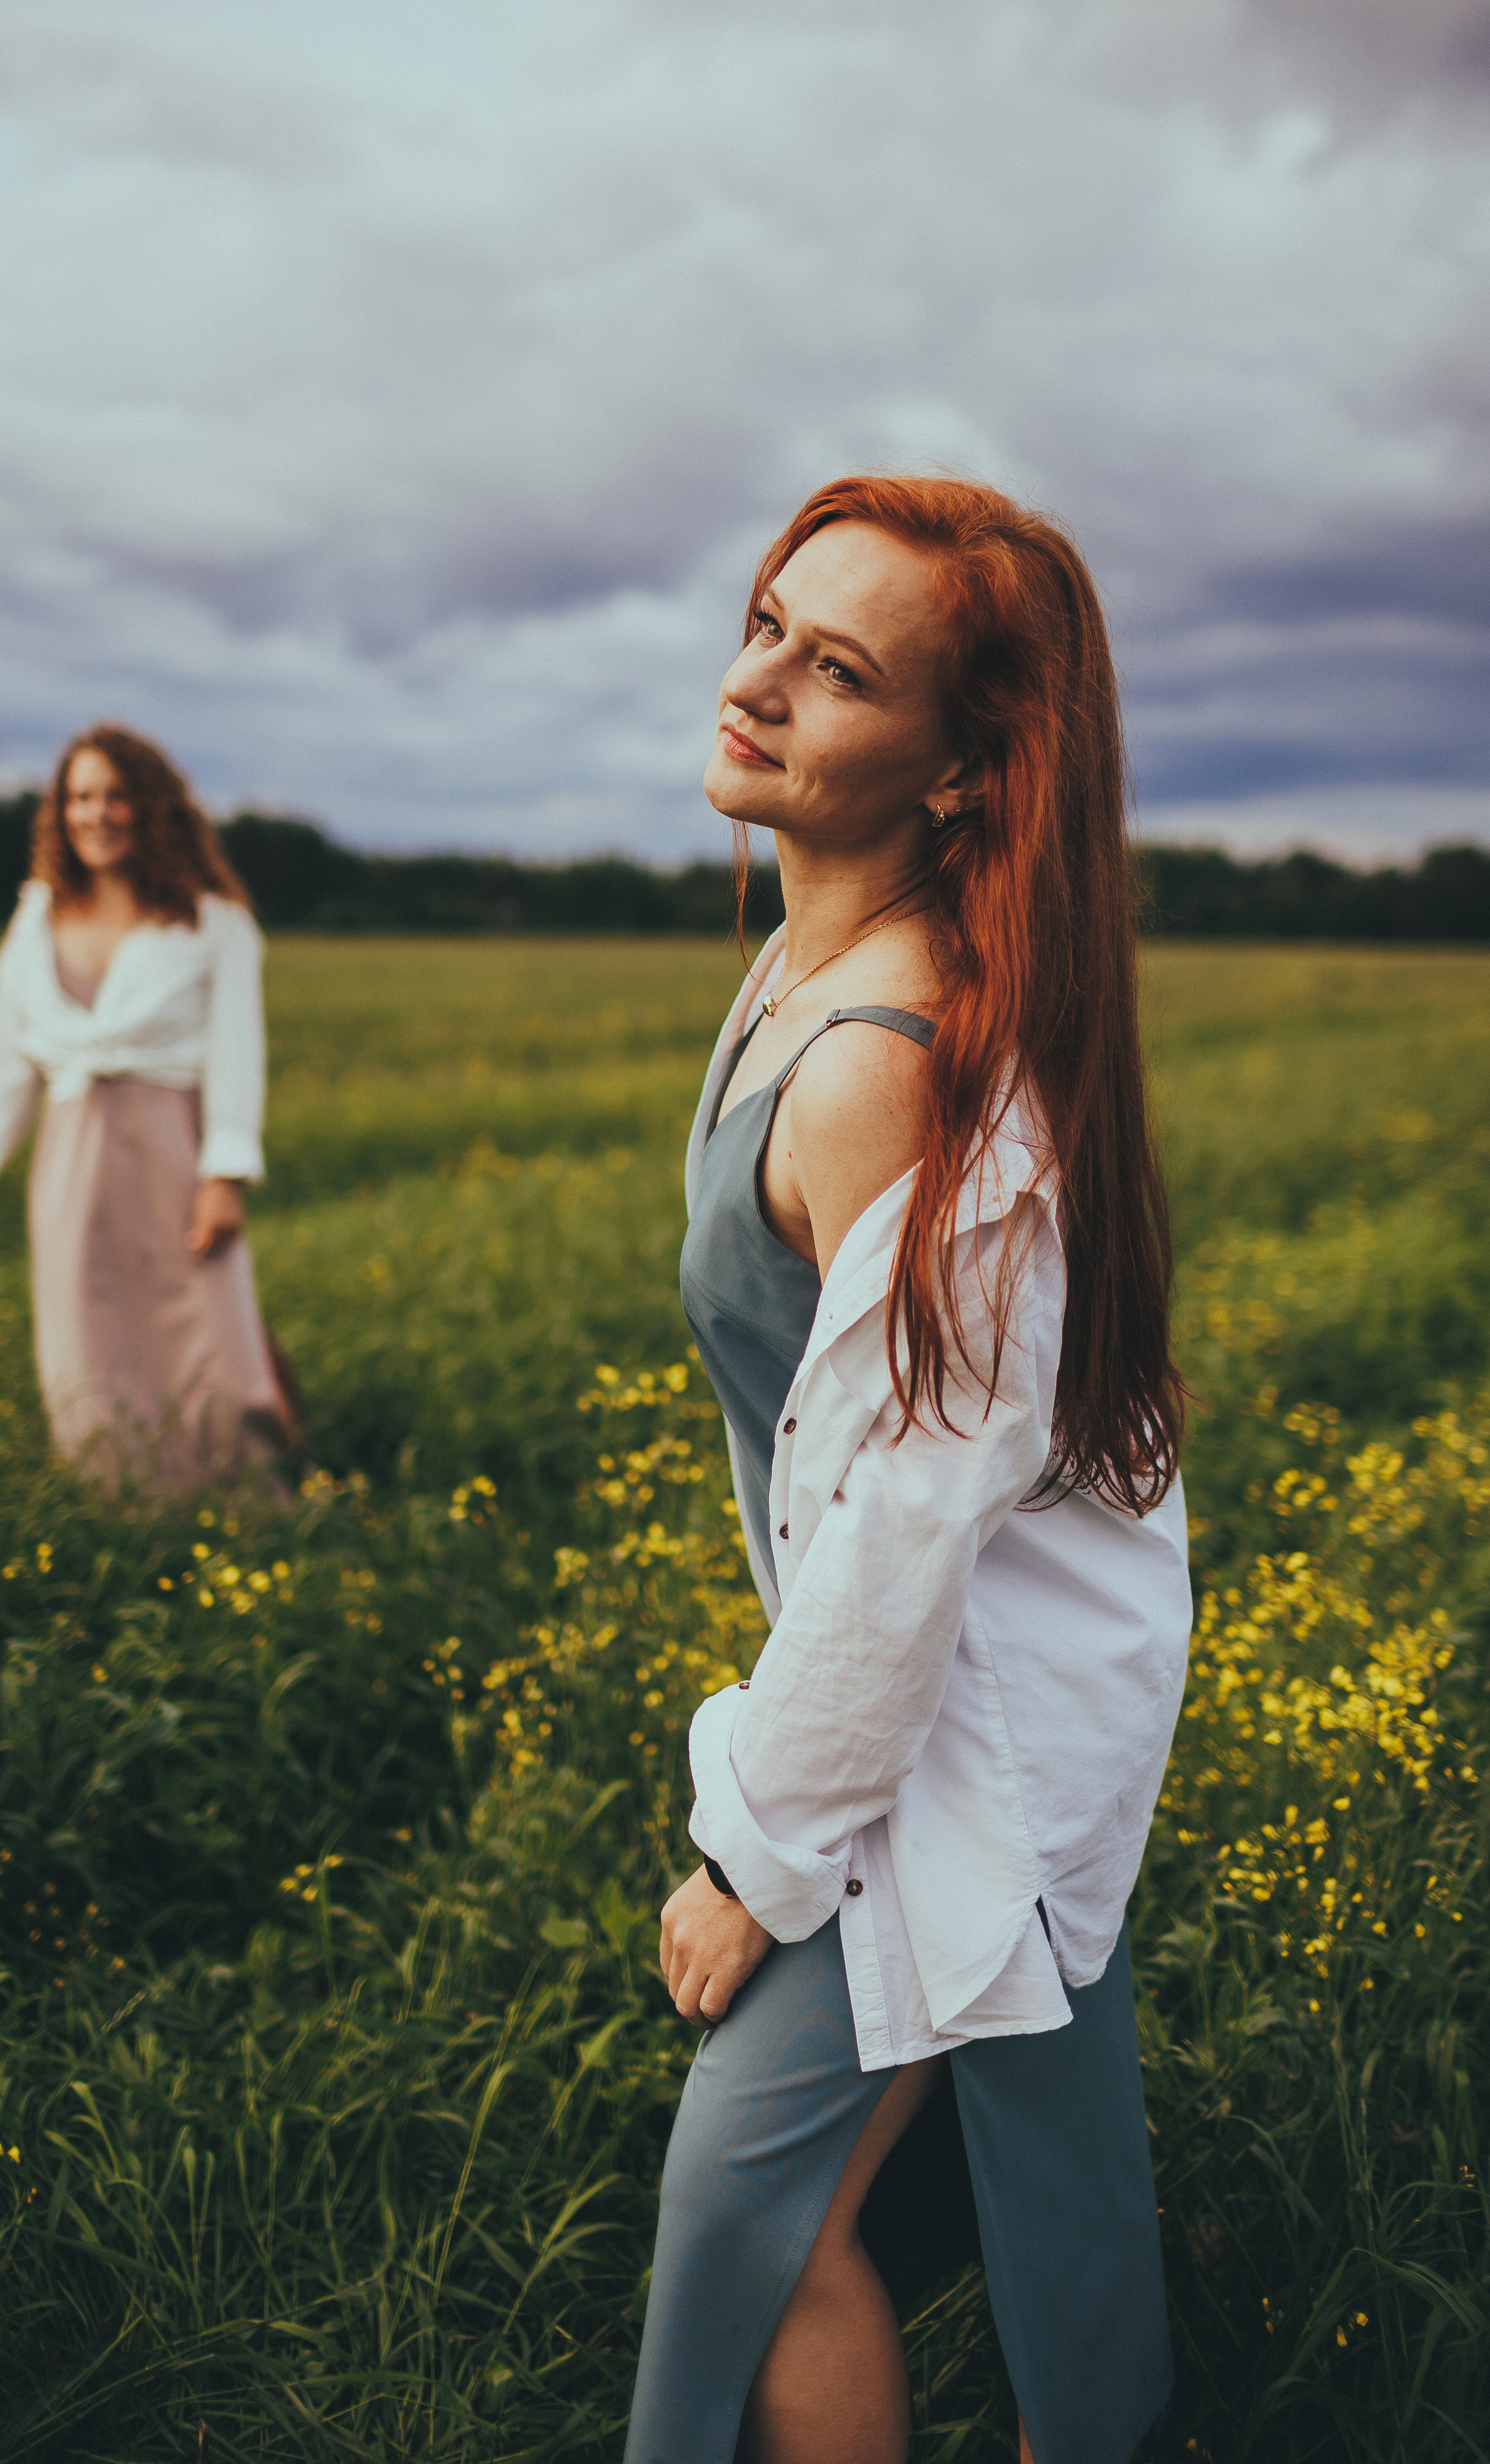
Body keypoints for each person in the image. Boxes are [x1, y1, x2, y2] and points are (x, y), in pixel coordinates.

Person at [626, 476, 1193, 2464]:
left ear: (959, 769)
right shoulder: (802, 971)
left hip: (954, 1738)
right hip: (915, 1714)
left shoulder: (882, 1062)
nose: (758, 680)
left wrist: (754, 1857)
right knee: (1008, 2199)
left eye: (840, 668)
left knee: (756, 2221)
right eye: (767, 623)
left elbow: (906, 1521)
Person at [0, 723, 294, 1492]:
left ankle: (249, 1513)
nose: (96, 814)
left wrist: (225, 1175)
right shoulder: (36, 920)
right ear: (60, 813)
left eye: (116, 796)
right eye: (80, 798)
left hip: (175, 1158)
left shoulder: (214, 921)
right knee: (94, 1346)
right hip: (72, 1168)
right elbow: (5, 1064)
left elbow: (237, 1054)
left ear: (153, 806)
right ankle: (123, 1515)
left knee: (213, 1340)